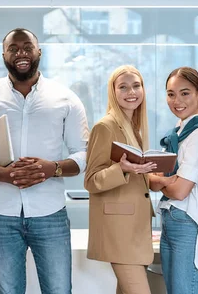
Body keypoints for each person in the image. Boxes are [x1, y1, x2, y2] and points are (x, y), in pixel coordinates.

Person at [0, 28, 89, 294]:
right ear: (3, 55)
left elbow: (83, 153)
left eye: (27, 47)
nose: (21, 53)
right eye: (14, 48)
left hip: (50, 213)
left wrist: (51, 169)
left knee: (59, 290)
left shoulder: (65, 98)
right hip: (0, 215)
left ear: (38, 52)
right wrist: (6, 175)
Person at [84, 65, 155, 294]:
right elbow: (91, 180)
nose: (131, 92)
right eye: (123, 87)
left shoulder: (134, 128)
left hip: (135, 228)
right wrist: (121, 169)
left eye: (136, 86)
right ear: (113, 92)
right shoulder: (105, 127)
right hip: (120, 231)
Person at [149, 67, 198, 294]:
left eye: (185, 93)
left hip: (188, 221)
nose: (177, 101)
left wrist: (163, 181)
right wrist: (166, 180)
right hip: (171, 220)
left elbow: (180, 191)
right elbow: (153, 182)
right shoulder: (177, 134)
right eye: (171, 94)